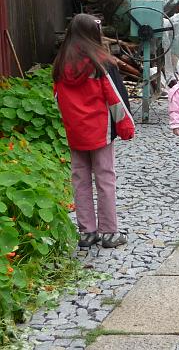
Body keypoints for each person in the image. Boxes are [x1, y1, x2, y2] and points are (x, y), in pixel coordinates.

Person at [53, 13, 135, 249]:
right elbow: (115, 98)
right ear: (93, 34)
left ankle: (86, 232)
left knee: (80, 179)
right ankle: (109, 232)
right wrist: (126, 126)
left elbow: (59, 98)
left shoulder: (61, 64)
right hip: (100, 130)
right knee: (105, 178)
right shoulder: (101, 63)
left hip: (76, 132)